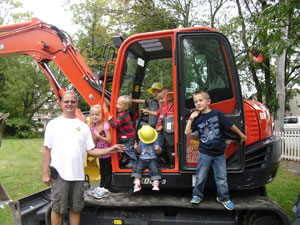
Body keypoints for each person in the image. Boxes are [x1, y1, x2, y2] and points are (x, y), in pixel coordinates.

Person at [42, 90, 125, 225]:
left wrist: (111, 149)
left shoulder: (83, 126)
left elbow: (91, 150)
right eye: (66, 101)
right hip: (60, 174)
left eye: (72, 101)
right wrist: (45, 174)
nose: (69, 104)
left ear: (77, 104)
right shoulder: (53, 124)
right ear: (62, 103)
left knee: (76, 208)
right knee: (58, 209)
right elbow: (47, 150)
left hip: (78, 176)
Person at [184, 90, 247, 210]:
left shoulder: (217, 114)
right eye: (195, 102)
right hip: (205, 153)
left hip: (219, 154)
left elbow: (230, 125)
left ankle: (223, 198)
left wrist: (242, 135)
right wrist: (191, 118)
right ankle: (197, 195)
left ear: (208, 101)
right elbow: (187, 132)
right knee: (201, 176)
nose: (198, 103)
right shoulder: (197, 119)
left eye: (200, 100)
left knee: (221, 177)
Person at [142, 87, 174, 164]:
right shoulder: (163, 106)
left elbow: (170, 120)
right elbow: (156, 113)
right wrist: (147, 111)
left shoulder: (171, 106)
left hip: (164, 129)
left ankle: (156, 158)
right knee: (156, 143)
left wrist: (162, 127)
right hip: (158, 128)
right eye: (159, 99)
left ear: (169, 97)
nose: (160, 101)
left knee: (159, 144)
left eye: (162, 99)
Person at [89, 104, 112, 199]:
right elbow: (92, 143)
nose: (94, 116)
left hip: (107, 153)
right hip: (99, 153)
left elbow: (109, 140)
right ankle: (101, 186)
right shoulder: (92, 127)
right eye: (92, 114)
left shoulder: (105, 126)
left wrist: (99, 136)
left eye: (97, 114)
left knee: (107, 171)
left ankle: (106, 188)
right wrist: (96, 135)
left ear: (102, 115)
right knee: (102, 171)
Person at [131, 125, 162, 192]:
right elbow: (139, 152)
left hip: (152, 159)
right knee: (137, 167)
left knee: (154, 167)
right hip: (142, 159)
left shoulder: (155, 142)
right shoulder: (141, 142)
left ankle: (155, 183)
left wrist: (158, 149)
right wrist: (136, 149)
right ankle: (137, 183)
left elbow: (159, 153)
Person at [109, 95, 136, 169]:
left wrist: (110, 120)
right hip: (125, 136)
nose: (117, 106)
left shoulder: (122, 116)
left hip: (128, 136)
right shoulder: (124, 113)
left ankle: (133, 162)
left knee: (128, 149)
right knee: (123, 147)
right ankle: (125, 158)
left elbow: (116, 125)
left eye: (120, 104)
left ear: (126, 107)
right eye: (117, 103)